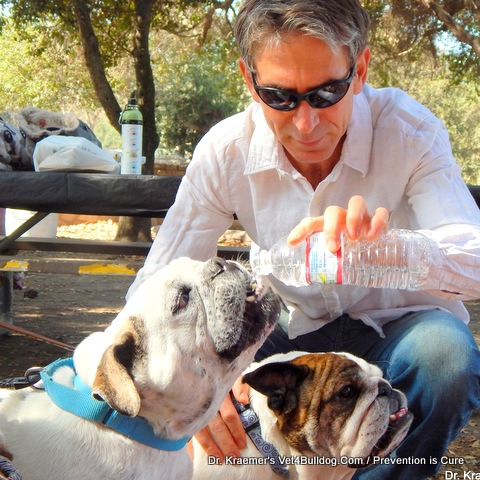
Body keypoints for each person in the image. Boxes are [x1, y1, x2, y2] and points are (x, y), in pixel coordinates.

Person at [127, 0, 480, 477]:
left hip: (403, 325)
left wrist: (387, 252)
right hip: (289, 325)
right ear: (250, 81)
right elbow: (158, 281)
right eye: (279, 97)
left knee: (447, 360)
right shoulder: (225, 151)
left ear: (360, 70)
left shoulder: (410, 132)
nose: (306, 124)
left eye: (327, 92)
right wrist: (194, 381)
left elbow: (475, 260)